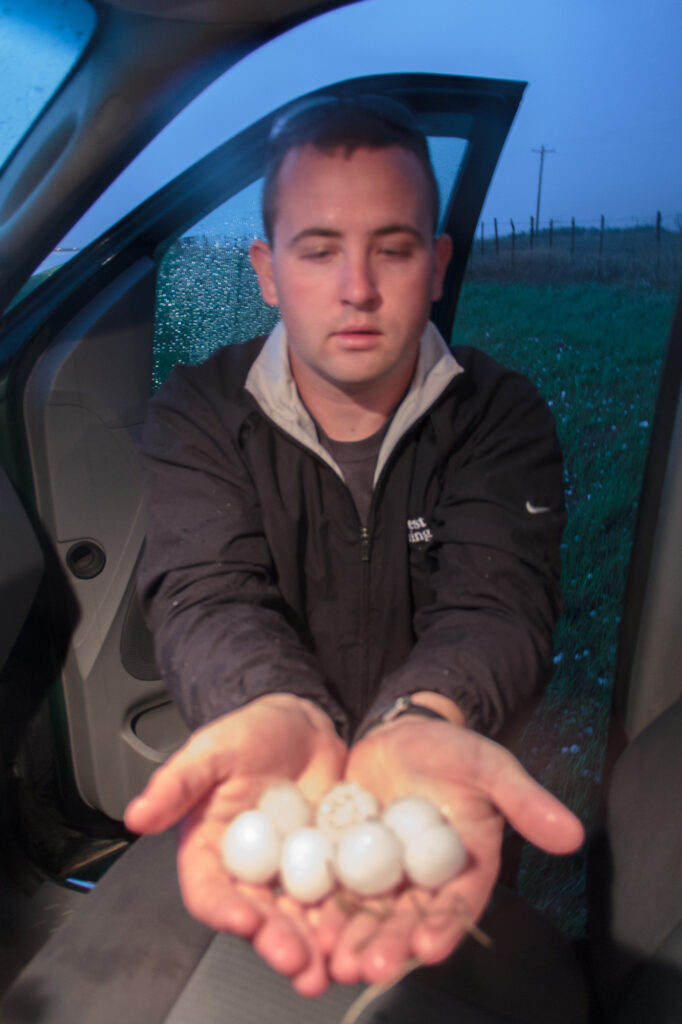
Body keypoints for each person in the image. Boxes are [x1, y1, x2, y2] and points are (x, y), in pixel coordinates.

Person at [124, 95, 584, 1001]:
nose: (358, 287)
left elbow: (498, 604)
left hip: (440, 810)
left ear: (439, 264)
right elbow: (205, 594)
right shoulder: (200, 413)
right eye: (319, 248)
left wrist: (425, 719)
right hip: (276, 805)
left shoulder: (500, 416)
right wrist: (272, 708)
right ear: (266, 270)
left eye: (395, 248)